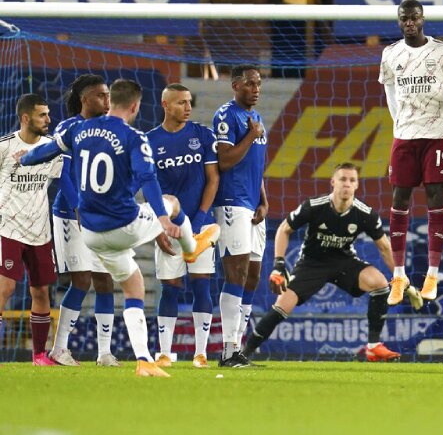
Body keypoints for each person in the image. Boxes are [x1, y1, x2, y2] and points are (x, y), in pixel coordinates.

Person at [19, 79, 220, 377]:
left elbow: (45, 153)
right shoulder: (134, 136)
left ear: (110, 101)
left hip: (91, 231)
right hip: (123, 224)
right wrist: (163, 220)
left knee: (133, 285)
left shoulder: (78, 129)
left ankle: (144, 361)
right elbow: (148, 180)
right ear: (136, 106)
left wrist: (24, 158)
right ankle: (193, 247)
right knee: (173, 204)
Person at [242, 163, 410, 362]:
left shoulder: (365, 214)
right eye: (342, 179)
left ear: (357, 185)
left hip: (344, 261)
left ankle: (373, 347)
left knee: (380, 283)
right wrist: (279, 263)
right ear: (333, 182)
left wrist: (400, 277)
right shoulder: (314, 206)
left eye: (351, 180)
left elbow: (384, 247)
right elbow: (284, 229)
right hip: (312, 263)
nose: (346, 184)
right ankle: (244, 354)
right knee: (282, 306)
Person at [378, 0, 443, 304]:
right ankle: (399, 275)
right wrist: (399, 121)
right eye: (404, 19)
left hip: (437, 136)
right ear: (399, 22)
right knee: (399, 199)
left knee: (436, 199)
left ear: (422, 19)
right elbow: (389, 90)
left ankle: (432, 275)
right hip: (405, 137)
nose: (409, 22)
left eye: (413, 18)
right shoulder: (391, 54)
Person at [47, 74, 119, 367]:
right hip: (70, 214)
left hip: (101, 216)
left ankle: (104, 353)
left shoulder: (112, 129)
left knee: (105, 281)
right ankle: (59, 348)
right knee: (81, 280)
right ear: (84, 99)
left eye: (108, 95)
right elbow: (63, 174)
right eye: (101, 95)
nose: (106, 101)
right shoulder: (68, 128)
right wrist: (78, 207)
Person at [147, 84, 219, 369]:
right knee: (170, 289)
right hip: (169, 229)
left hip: (201, 225)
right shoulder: (149, 142)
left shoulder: (202, 135)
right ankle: (165, 353)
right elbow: (148, 188)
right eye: (180, 103)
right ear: (165, 105)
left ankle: (200, 354)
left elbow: (213, 179)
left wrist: (200, 218)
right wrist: (157, 228)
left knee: (202, 287)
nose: (187, 107)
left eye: (189, 102)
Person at [213, 64, 269, 367]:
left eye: (258, 84)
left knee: (253, 275)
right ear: (235, 85)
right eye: (249, 84)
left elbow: (255, 166)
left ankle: (239, 350)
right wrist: (249, 136)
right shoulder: (226, 116)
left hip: (253, 204)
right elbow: (224, 161)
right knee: (236, 274)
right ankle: (228, 350)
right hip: (232, 202)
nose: (256, 89)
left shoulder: (256, 119)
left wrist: (264, 200)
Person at [0, 94, 62, 365]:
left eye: (48, 114)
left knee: (41, 291)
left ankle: (39, 355)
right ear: (26, 118)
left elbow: (64, 182)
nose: (48, 119)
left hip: (40, 230)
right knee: (5, 289)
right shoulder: (4, 147)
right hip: (7, 227)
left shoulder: (51, 148)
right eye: (42, 115)